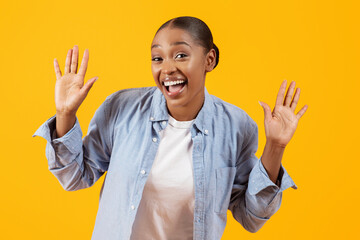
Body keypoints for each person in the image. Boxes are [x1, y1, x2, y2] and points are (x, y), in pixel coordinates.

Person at [33, 16, 308, 240]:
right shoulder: (121, 108)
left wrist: (276, 146)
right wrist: (64, 114)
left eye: (180, 55)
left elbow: (251, 217)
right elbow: (74, 178)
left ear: (209, 60)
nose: (167, 68)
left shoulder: (237, 127)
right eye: (158, 58)